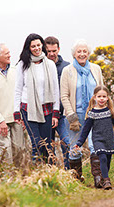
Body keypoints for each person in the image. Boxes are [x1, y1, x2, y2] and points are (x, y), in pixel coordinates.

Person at [60, 39, 104, 186]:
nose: (82, 54)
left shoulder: (96, 69)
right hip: (75, 115)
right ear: (74, 54)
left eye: (84, 51)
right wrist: (71, 116)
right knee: (75, 148)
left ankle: (98, 179)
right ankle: (76, 180)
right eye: (79, 51)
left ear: (88, 53)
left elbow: (101, 92)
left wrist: (103, 110)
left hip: (94, 114)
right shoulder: (67, 71)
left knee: (95, 145)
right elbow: (64, 96)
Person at [14, 33, 60, 164]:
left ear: (42, 46)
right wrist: (16, 112)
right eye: (33, 46)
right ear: (28, 48)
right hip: (29, 109)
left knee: (47, 145)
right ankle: (37, 173)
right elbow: (18, 89)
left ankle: (50, 173)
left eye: (38, 45)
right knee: (37, 144)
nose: (36, 48)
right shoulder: (23, 65)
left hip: (47, 109)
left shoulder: (49, 64)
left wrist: (56, 113)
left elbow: (56, 89)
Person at [74, 86, 114, 190]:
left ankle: (104, 179)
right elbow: (85, 130)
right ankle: (107, 180)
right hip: (98, 140)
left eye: (104, 96)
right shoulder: (92, 113)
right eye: (99, 96)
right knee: (102, 158)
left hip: (108, 139)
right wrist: (79, 142)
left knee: (107, 161)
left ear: (107, 98)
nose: (102, 99)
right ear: (95, 97)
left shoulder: (110, 111)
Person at [44, 36, 70, 170]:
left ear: (58, 49)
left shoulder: (67, 67)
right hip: (46, 114)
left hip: (63, 113)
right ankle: (52, 174)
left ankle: (70, 173)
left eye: (54, 50)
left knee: (67, 142)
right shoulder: (40, 67)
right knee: (47, 146)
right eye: (48, 51)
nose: (52, 54)